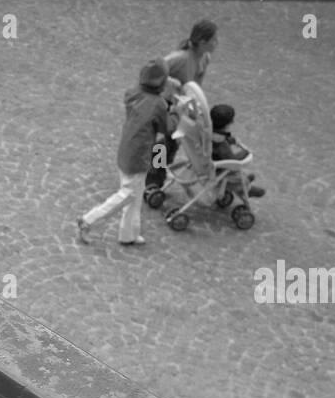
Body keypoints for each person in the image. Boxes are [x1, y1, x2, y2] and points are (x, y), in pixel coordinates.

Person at [78, 60, 171, 246]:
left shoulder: (133, 93)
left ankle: (128, 234)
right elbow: (167, 127)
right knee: (128, 194)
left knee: (134, 198)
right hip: (140, 155)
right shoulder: (158, 104)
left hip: (127, 149)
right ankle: (89, 220)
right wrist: (175, 112)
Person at [146, 19, 219, 191]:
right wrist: (172, 83)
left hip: (181, 105)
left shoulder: (205, 58)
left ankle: (162, 169)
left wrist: (195, 108)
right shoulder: (181, 58)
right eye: (214, 40)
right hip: (165, 104)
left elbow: (196, 84)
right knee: (161, 143)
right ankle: (152, 180)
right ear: (203, 42)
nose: (217, 43)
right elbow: (153, 70)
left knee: (176, 140)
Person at [209, 104, 265, 198]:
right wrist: (245, 152)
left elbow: (219, 138)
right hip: (218, 170)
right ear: (229, 123)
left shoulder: (207, 133)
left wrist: (230, 140)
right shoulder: (222, 145)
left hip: (206, 162)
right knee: (239, 170)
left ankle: (244, 181)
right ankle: (247, 189)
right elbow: (232, 163)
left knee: (238, 169)